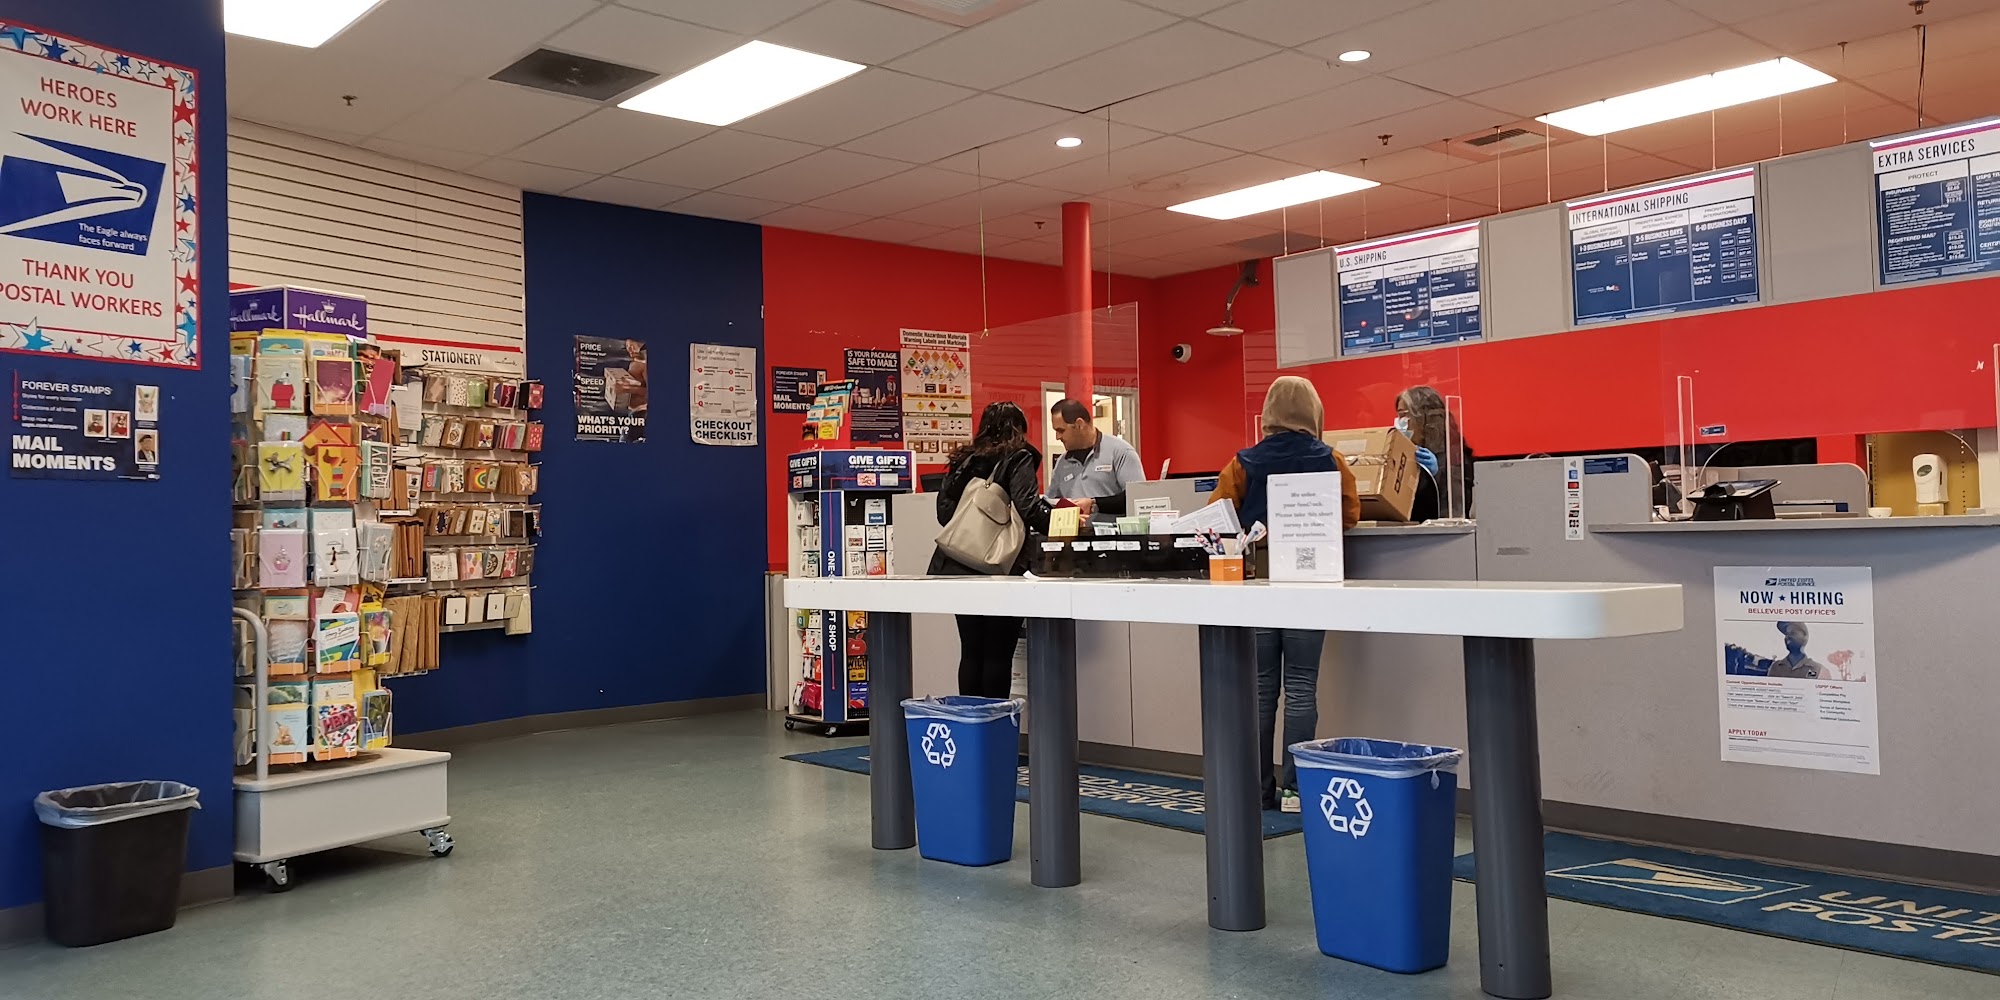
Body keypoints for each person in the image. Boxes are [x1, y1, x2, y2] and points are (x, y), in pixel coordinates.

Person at [1210, 376, 1359, 813]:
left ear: (1269, 413)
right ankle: (1295, 791)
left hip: (1259, 584)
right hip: (1311, 584)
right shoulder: (1331, 459)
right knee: (1301, 686)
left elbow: (1220, 516)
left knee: (1260, 690)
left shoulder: (1242, 462)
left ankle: (1258, 789)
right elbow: (1350, 514)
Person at [931, 401, 1051, 698]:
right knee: (998, 652)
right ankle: (994, 723)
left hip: (956, 566)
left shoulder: (963, 460)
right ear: (1019, 429)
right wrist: (1063, 523)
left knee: (971, 651)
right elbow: (1029, 508)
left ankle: (971, 722)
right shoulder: (1018, 456)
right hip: (998, 568)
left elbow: (944, 515)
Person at [1047, 398, 1145, 518]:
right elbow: (1050, 501)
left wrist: (1095, 504)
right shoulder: (1062, 463)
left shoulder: (1121, 452)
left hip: (1113, 530)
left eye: (1061, 431)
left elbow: (1137, 497)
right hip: (1074, 530)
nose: (1057, 437)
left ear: (1079, 425)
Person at [1396, 385, 1475, 521]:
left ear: (1422, 416)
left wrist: (1437, 476)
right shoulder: (1406, 452)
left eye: (1403, 415)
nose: (1399, 423)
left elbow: (1457, 505)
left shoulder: (1453, 452)